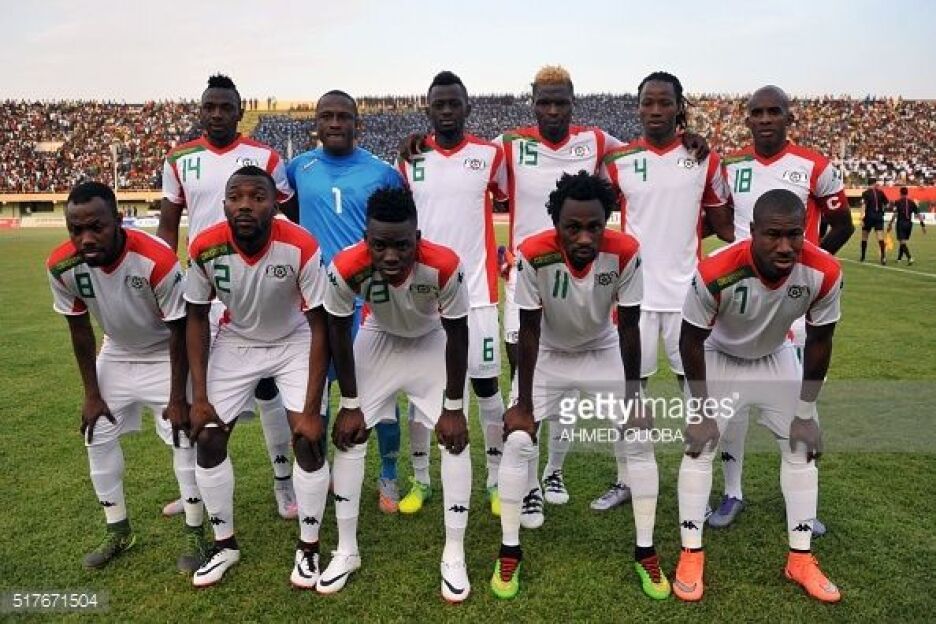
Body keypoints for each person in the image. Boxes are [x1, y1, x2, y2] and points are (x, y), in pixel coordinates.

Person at [492, 172, 666, 600]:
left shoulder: (626, 252)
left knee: (639, 436)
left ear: (607, 222)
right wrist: (524, 404)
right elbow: (528, 331)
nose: (585, 237)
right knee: (517, 440)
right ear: (556, 224)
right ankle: (509, 550)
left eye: (595, 226)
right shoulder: (533, 254)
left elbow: (629, 328)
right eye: (573, 227)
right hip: (548, 353)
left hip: (600, 349)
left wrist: (633, 399)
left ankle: (645, 551)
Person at [675, 189, 842, 604]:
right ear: (752, 232)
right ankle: (691, 553)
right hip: (719, 356)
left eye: (794, 234)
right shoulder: (716, 271)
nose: (784, 246)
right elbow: (690, 340)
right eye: (773, 235)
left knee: (802, 448)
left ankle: (800, 559)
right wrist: (701, 410)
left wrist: (806, 412)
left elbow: (820, 340)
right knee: (699, 448)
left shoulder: (823, 271)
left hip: (774, 357)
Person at [158, 74, 300, 520]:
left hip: (256, 286)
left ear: (240, 112)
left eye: (225, 107)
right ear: (201, 111)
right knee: (196, 392)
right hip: (203, 289)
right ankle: (195, 491)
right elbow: (168, 225)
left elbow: (289, 220)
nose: (217, 114)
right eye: (210, 107)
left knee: (268, 386)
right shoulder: (179, 159)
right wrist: (165, 280)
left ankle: (284, 484)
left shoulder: (266, 157)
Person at [319, 187, 472, 602]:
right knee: (350, 437)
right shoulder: (345, 266)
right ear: (365, 239)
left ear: (417, 237)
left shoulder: (444, 265)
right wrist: (349, 404)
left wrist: (453, 407)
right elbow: (337, 331)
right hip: (379, 337)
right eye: (379, 245)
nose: (390, 256)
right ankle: (346, 550)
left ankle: (454, 553)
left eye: (402, 245)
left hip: (432, 341)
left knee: (455, 441)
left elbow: (458, 334)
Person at [46, 181, 204, 572]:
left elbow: (179, 329)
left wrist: (177, 398)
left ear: (118, 220)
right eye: (76, 229)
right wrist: (91, 394)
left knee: (183, 436)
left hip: (165, 350)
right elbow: (80, 330)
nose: (86, 238)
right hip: (117, 350)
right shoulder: (61, 265)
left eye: (96, 227)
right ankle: (118, 530)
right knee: (96, 431)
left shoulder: (156, 259)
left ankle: (195, 532)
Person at [184, 166, 329, 588]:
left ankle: (308, 548)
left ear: (275, 203)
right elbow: (196, 316)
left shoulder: (300, 244)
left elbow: (320, 325)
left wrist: (311, 409)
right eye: (236, 197)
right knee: (208, 437)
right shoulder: (205, 246)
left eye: (257, 197)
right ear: (224, 204)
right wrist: (199, 396)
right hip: (238, 339)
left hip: (294, 340)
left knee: (307, 440)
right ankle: (224, 545)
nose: (245, 205)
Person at [715, 85, 853, 529]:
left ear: (788, 117)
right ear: (747, 119)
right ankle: (732, 492)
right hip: (741, 306)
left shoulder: (815, 166)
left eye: (774, 111)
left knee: (798, 406)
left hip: (792, 308)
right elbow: (721, 222)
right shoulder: (730, 165)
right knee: (732, 408)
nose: (765, 119)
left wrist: (805, 275)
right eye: (757, 112)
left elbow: (843, 225)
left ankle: (803, 504)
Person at [595, 71, 733, 512]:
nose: (655, 110)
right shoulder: (618, 162)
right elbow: (593, 217)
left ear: (678, 107)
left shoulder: (703, 159)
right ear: (638, 108)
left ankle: (698, 487)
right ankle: (626, 479)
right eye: (647, 102)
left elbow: (723, 224)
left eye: (664, 102)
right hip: (633, 299)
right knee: (628, 393)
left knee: (696, 396)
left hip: (686, 299)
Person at [287, 89, 405, 514]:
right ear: (316, 123)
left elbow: (399, 232)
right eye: (327, 116)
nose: (335, 123)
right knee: (315, 396)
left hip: (366, 303)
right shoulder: (299, 168)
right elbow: (292, 217)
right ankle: (318, 475)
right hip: (316, 304)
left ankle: (388, 475)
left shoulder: (382, 172)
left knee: (380, 399)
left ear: (359, 123)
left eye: (343, 116)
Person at [396, 71, 508, 517]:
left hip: (477, 295)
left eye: (453, 103)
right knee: (422, 393)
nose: (446, 110)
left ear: (467, 107)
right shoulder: (411, 159)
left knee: (487, 388)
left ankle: (497, 482)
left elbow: (518, 197)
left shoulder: (490, 155)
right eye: (438, 104)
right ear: (428, 109)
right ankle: (421, 480)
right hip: (423, 297)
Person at [887, 186, 926, 264]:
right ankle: (899, 259)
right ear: (907, 193)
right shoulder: (912, 202)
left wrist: (890, 224)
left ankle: (909, 257)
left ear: (900, 193)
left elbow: (895, 214)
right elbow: (918, 214)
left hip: (901, 223)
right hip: (909, 224)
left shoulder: (897, 202)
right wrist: (923, 225)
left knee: (902, 242)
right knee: (903, 241)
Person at [860, 180, 889, 264]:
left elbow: (863, 205)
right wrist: (882, 209)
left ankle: (863, 257)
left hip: (869, 217)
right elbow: (887, 204)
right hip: (879, 217)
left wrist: (861, 218)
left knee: (864, 237)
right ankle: (883, 257)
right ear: (874, 183)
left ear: (868, 184)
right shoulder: (880, 192)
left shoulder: (865, 193)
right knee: (880, 237)